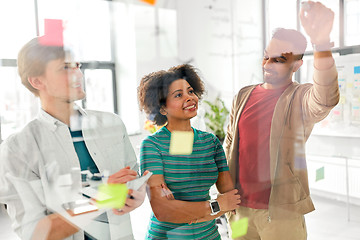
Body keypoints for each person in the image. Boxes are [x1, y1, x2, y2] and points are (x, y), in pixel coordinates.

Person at [0, 37, 147, 240]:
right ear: (37, 81)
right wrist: (102, 197)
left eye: (77, 65)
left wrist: (135, 196)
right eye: (65, 68)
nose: (78, 73)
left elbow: (133, 181)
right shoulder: (17, 148)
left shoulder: (111, 124)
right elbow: (35, 232)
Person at [224, 1, 340, 240]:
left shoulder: (300, 97)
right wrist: (226, 195)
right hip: (239, 212)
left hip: (280, 214)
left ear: (297, 64)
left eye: (277, 60)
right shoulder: (243, 95)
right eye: (266, 57)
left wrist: (322, 43)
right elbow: (229, 144)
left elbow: (325, 97)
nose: (267, 64)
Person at [137, 64, 241, 239]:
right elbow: (163, 211)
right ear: (162, 108)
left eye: (191, 91)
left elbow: (231, 200)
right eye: (178, 95)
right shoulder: (152, 145)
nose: (190, 98)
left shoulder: (211, 142)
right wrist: (216, 206)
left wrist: (183, 210)